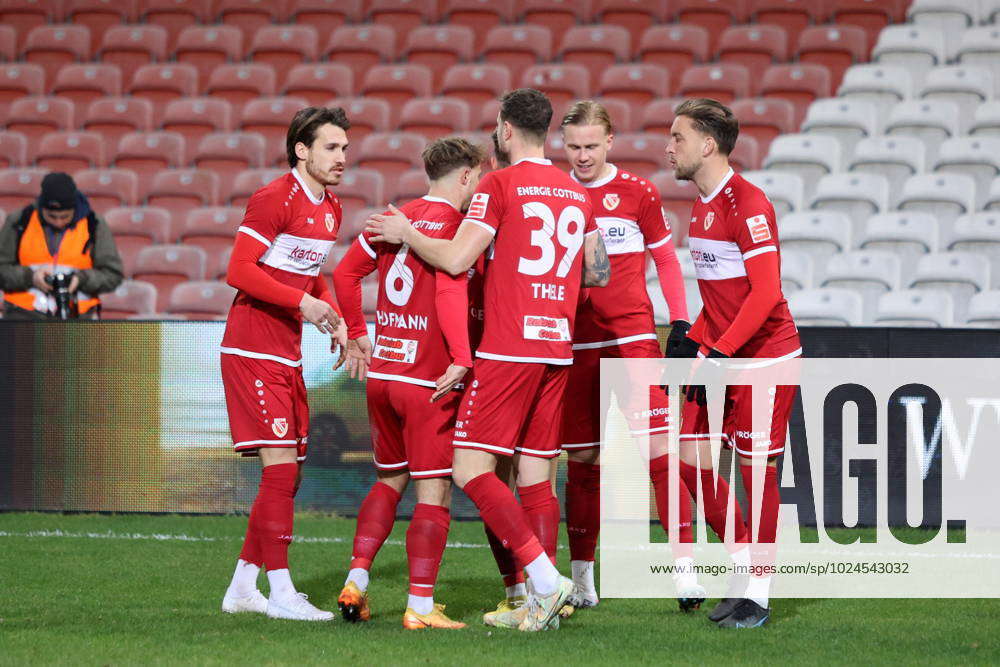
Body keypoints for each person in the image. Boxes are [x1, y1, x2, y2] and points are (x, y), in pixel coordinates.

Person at [366, 88, 610, 632]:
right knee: (535, 474)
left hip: (507, 346)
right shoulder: (577, 192)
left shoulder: (499, 184)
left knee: (470, 467)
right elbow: (598, 273)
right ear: (548, 131)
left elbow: (455, 258)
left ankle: (545, 582)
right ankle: (536, 605)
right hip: (558, 349)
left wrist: (406, 233)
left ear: (504, 128)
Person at [330, 137, 487, 630]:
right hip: (427, 381)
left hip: (383, 376)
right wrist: (463, 357)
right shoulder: (457, 228)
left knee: (389, 481)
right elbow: (447, 291)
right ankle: (419, 606)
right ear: (465, 176)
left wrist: (358, 334)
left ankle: (356, 580)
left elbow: (344, 274)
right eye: (477, 179)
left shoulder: (392, 219)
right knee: (433, 494)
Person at [556, 100, 703, 614]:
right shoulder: (556, 194)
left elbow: (664, 256)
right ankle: (581, 579)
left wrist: (680, 321)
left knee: (659, 454)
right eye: (573, 146)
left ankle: (685, 573)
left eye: (591, 146)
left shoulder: (637, 191)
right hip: (574, 344)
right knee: (583, 462)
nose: (582, 156)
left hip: (635, 340)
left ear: (610, 141)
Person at [665, 98, 802, 629]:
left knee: (757, 475)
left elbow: (766, 293)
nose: (669, 147)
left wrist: (719, 353)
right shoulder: (701, 206)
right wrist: (697, 339)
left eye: (678, 137)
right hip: (721, 354)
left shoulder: (748, 204)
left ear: (707, 145)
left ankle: (759, 596)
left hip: (764, 359)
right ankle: (743, 567)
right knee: (689, 462)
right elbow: (724, 295)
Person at [219, 106, 350, 622]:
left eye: (344, 148)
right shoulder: (273, 198)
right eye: (331, 148)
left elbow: (308, 274)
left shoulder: (331, 208)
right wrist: (304, 305)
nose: (342, 157)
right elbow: (239, 270)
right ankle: (282, 594)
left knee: (288, 476)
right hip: (251, 349)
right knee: (279, 473)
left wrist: (333, 314)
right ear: (302, 149)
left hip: (285, 352)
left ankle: (242, 588)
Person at [0, 172, 123, 319]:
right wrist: (30, 277)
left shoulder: (94, 224)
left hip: (78, 317)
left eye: (65, 216)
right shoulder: (20, 221)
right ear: (42, 207)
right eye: (52, 216)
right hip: (23, 316)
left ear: (74, 208)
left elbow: (112, 275)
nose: (58, 222)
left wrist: (80, 279)